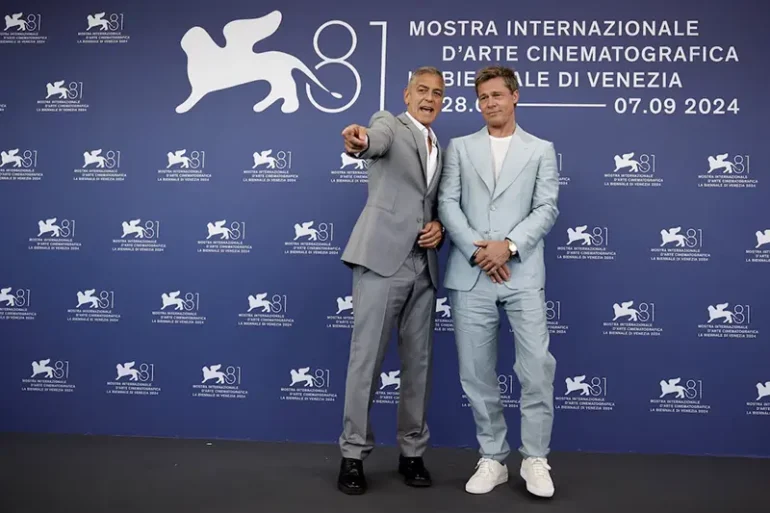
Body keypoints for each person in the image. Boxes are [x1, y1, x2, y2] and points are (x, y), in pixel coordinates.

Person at [437, 65, 560, 498]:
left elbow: (546, 208)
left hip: (522, 273)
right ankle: (492, 457)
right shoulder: (460, 147)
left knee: (536, 369)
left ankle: (535, 458)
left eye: (497, 96)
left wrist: (506, 246)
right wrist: (477, 249)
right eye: (483, 97)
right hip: (471, 275)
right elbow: (448, 203)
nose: (490, 103)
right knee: (475, 373)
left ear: (515, 97)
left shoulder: (541, 149)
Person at [336, 66, 446, 495]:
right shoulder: (388, 124)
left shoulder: (442, 145)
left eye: (437, 93)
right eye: (422, 90)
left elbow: (434, 203)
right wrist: (360, 141)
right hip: (382, 261)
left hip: (425, 265)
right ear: (406, 95)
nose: (429, 98)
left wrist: (439, 228)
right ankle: (352, 456)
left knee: (418, 365)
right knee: (366, 360)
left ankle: (412, 454)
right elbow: (372, 141)